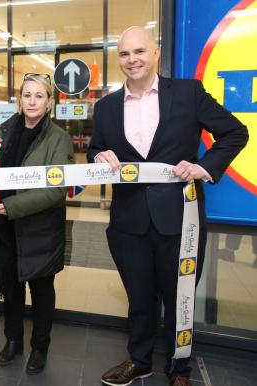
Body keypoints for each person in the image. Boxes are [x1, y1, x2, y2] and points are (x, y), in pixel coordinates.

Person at [87, 26, 248, 386]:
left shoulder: (188, 93)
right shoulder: (106, 107)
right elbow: (95, 148)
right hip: (129, 222)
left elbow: (235, 132)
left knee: (181, 300)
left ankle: (180, 369)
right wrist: (99, 155)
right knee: (140, 297)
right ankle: (140, 359)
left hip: (181, 220)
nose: (133, 60)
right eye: (125, 54)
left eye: (139, 52)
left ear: (156, 53)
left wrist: (205, 166)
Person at [0, 73, 74, 375]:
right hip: (4, 227)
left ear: (49, 102)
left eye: (39, 96)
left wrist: (13, 206)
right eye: (26, 95)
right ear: (19, 99)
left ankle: (39, 348)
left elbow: (57, 190)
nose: (32, 101)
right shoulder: (6, 130)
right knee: (12, 288)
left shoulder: (59, 139)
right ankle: (12, 340)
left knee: (41, 290)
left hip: (38, 229)